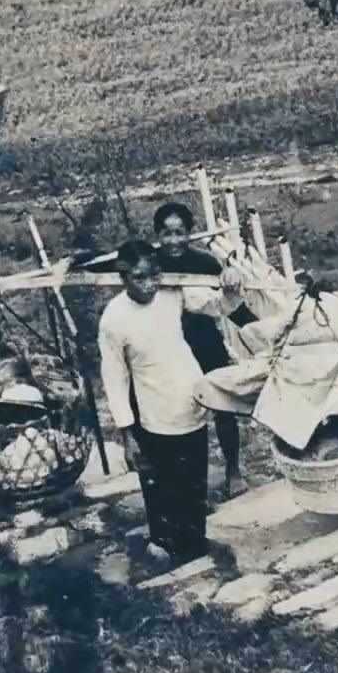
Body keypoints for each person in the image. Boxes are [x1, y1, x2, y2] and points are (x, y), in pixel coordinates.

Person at [98, 239, 244, 565]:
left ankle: (195, 545)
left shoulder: (172, 293)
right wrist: (126, 432)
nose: (149, 284)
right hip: (152, 408)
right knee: (163, 484)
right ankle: (163, 547)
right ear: (123, 276)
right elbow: (115, 376)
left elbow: (218, 305)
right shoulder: (113, 319)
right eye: (139, 277)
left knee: (194, 479)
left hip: (188, 398)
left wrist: (231, 288)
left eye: (154, 275)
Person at [152, 201, 257, 498]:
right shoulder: (149, 265)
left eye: (180, 232)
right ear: (158, 235)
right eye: (167, 233)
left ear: (189, 233)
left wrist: (262, 329)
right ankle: (187, 481)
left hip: (205, 342)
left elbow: (232, 308)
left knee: (222, 407)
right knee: (178, 414)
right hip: (168, 347)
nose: (174, 240)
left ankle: (233, 472)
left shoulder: (206, 263)